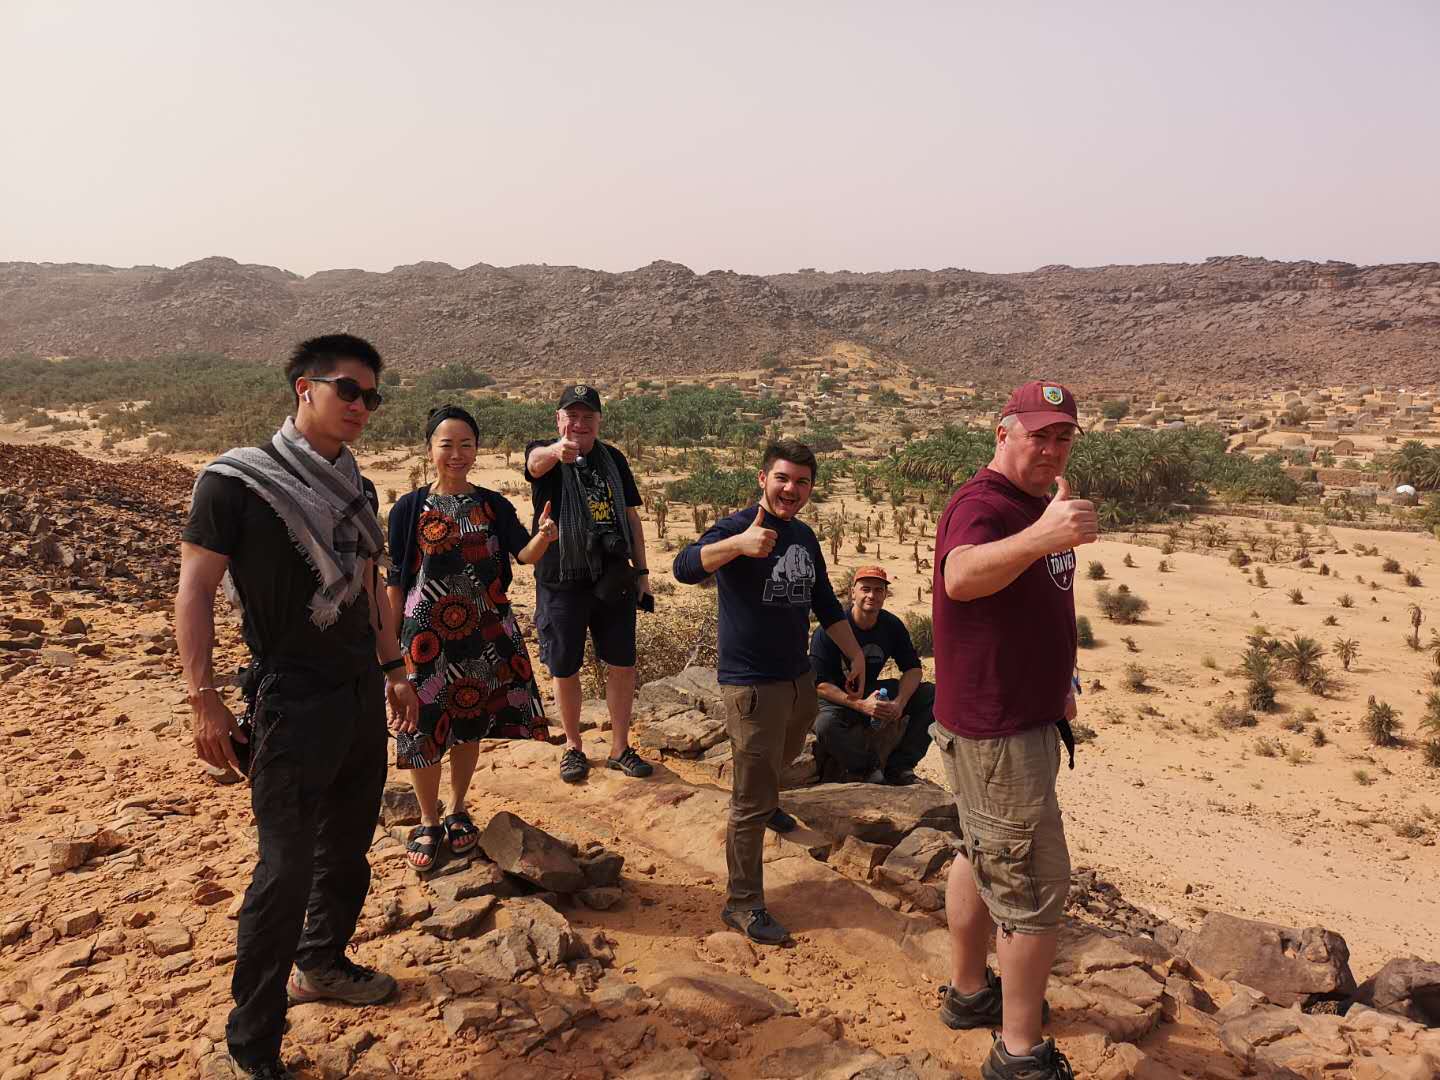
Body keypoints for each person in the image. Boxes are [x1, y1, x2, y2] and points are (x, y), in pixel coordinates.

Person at [176, 334, 419, 1080]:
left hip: (355, 695)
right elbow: (195, 591)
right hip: (287, 699)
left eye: (371, 396)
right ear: (303, 390)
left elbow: (372, 584)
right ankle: (253, 1043)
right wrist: (204, 700)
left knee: (346, 851)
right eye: (348, 390)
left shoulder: (358, 488)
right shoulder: (235, 484)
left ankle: (322, 963)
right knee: (283, 870)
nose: (361, 406)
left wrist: (393, 668)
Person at [930, 381, 1097, 1080]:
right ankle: (1019, 1052)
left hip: (1011, 718)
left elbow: (1037, 605)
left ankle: (971, 993)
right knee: (1032, 889)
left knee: (977, 850)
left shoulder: (1035, 504)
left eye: (1063, 437)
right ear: (1002, 433)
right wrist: (1043, 536)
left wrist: (1063, 683)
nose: (1051, 449)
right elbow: (960, 577)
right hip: (998, 733)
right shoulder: (983, 505)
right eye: (1038, 436)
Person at [673, 439, 865, 946]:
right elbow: (685, 566)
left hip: (797, 679)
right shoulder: (737, 527)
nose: (791, 489)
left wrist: (856, 652)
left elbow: (823, 599)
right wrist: (736, 546)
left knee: (782, 755)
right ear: (763, 479)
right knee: (750, 799)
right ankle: (743, 903)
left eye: (802, 482)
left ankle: (768, 800)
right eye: (783, 479)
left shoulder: (802, 535)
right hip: (752, 685)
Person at [386, 405, 558, 872]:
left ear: (477, 449)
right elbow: (397, 581)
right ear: (429, 450)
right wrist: (392, 647)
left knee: (468, 721)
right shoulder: (408, 508)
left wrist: (545, 535)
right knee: (422, 729)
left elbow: (523, 555)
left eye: (466, 444)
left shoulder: (492, 504)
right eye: (447, 444)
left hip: (482, 633)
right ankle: (428, 819)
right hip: (424, 639)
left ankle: (458, 808)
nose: (457, 453)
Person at [524, 384, 654, 783]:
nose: (579, 424)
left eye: (588, 417)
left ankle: (619, 747)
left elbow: (631, 518)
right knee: (565, 666)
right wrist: (555, 452)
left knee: (622, 663)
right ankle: (573, 747)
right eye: (572, 416)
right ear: (559, 419)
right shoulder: (548, 452)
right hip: (562, 577)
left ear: (598, 420)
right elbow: (534, 464)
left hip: (612, 574)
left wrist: (643, 573)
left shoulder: (613, 458)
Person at [810, 565, 934, 785]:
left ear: (885, 595)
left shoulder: (891, 625)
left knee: (932, 695)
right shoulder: (830, 630)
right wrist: (861, 706)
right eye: (865, 589)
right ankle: (867, 768)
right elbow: (819, 684)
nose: (871, 595)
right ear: (852, 592)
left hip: (871, 690)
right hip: (837, 697)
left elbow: (913, 668)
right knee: (825, 725)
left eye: (878, 590)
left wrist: (899, 702)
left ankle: (901, 767)